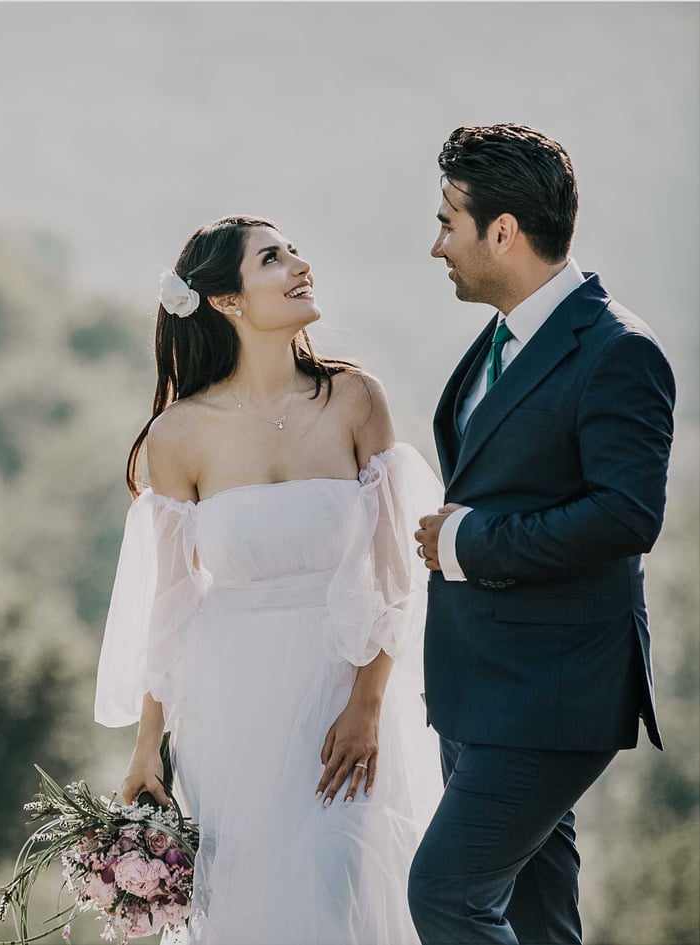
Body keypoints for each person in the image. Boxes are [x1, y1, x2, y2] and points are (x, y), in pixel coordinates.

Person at [94, 214, 444, 944]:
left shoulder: (353, 398)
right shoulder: (178, 433)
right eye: (273, 258)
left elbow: (396, 570)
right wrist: (146, 745)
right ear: (226, 300)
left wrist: (368, 703)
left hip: (341, 689)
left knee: (335, 879)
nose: (299, 265)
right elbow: (171, 604)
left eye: (294, 251)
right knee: (252, 905)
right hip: (230, 704)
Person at [408, 124, 676, 945]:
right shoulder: (496, 338)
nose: (435, 246)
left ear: (501, 231)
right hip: (476, 686)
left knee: (446, 895)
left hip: (552, 692)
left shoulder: (617, 352)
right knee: (535, 915)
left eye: (448, 222)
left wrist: (468, 542)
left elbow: (626, 515)